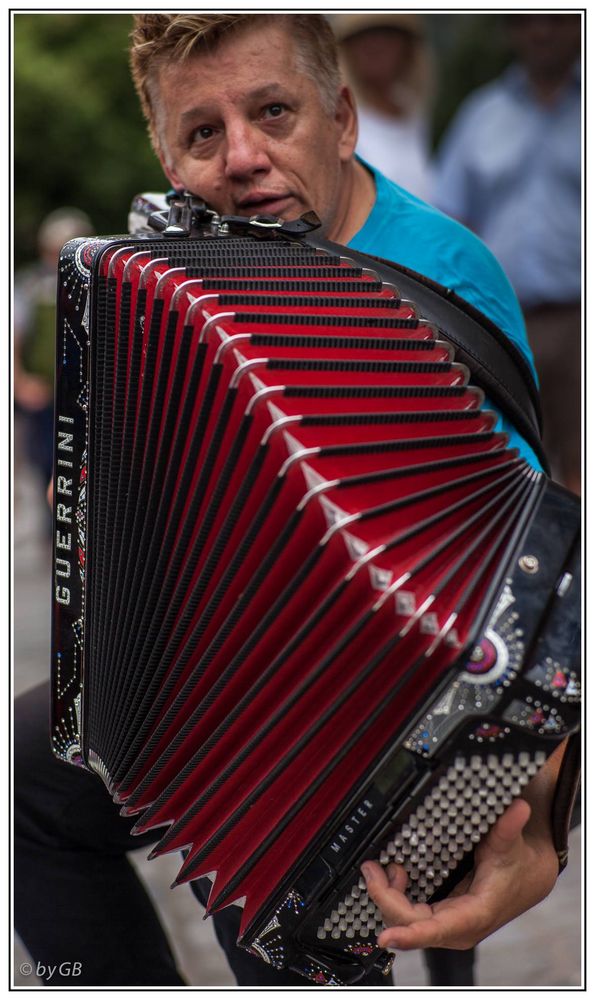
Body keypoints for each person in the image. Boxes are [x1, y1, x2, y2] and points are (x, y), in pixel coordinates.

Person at [15, 13, 571, 988]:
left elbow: (541, 594)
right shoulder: (175, 266)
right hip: (216, 670)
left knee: (284, 934)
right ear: (166, 154)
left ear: (342, 116)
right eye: (201, 134)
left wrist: (547, 823)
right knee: (30, 775)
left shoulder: (440, 284)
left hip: (392, 739)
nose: (242, 158)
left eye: (273, 113)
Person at [433, 13, 581, 494]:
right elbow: (450, 219)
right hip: (501, 322)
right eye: (523, 21)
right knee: (512, 463)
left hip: (580, 317)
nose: (539, 32)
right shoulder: (482, 114)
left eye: (554, 20)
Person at [14, 209, 94, 532]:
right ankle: (54, 528)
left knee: (81, 461)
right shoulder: (32, 286)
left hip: (84, 392)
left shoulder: (95, 285)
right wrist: (20, 382)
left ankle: (77, 526)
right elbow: (13, 337)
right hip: (45, 390)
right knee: (44, 457)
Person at [332, 13, 434, 201]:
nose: (375, 45)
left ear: (408, 47)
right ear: (346, 48)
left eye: (387, 34)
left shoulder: (413, 112)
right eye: (364, 36)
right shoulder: (337, 119)